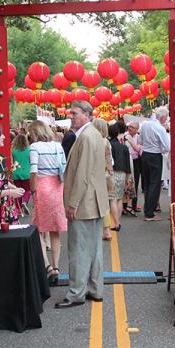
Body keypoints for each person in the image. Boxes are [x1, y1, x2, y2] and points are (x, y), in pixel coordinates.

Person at [55, 101, 109, 308]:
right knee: (94, 249)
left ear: (87, 115)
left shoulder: (86, 137)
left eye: (75, 113)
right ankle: (95, 289)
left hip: (84, 203)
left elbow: (82, 175)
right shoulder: (93, 134)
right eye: (71, 113)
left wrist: (72, 203)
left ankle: (76, 293)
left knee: (78, 250)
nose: (71, 117)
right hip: (94, 202)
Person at [27, 120, 67, 284]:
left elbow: (34, 171)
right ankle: (56, 266)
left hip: (42, 187)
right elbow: (64, 167)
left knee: (39, 228)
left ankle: (47, 265)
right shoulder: (58, 146)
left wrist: (32, 188)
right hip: (58, 187)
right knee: (55, 229)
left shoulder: (34, 148)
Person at [140, 106, 170, 221]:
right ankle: (149, 213)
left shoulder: (145, 125)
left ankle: (147, 209)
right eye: (166, 117)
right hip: (155, 156)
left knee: (147, 184)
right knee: (155, 184)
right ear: (162, 117)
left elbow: (141, 141)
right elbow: (167, 147)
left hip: (145, 155)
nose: (166, 120)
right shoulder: (160, 128)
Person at [92, 118, 114, 241]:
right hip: (106, 174)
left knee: (94, 202)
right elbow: (109, 158)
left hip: (95, 174)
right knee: (105, 203)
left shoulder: (92, 140)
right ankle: (107, 230)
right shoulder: (106, 142)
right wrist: (110, 171)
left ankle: (98, 230)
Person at [108, 122, 131, 232]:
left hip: (111, 173)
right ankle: (118, 222)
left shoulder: (108, 145)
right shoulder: (124, 147)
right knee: (119, 199)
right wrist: (128, 179)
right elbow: (128, 165)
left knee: (112, 198)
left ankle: (116, 223)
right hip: (122, 173)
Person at [124, 121, 143, 213]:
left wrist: (132, 142)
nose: (130, 128)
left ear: (137, 129)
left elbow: (138, 149)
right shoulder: (124, 136)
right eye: (129, 126)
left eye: (132, 127)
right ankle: (124, 205)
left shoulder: (139, 137)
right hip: (126, 161)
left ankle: (134, 206)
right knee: (126, 182)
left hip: (136, 161)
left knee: (135, 182)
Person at [11, 132, 32, 212]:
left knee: (18, 191)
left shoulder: (13, 150)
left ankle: (18, 208)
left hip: (16, 172)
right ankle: (24, 201)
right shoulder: (29, 149)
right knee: (27, 190)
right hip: (27, 172)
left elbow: (12, 162)